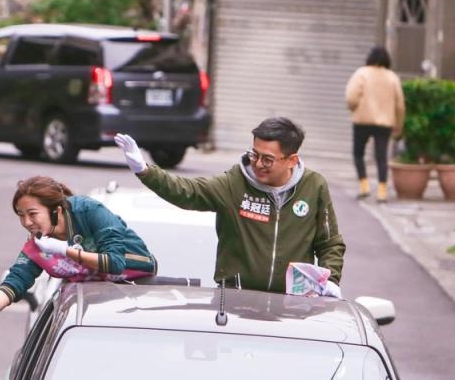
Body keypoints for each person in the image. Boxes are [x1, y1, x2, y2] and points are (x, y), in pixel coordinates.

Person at [114, 117, 345, 295]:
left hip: (293, 305)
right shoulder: (234, 183)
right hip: (236, 301)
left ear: (291, 160)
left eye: (267, 159)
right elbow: (187, 191)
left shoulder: (314, 187)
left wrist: (330, 281)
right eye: (255, 155)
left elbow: (330, 243)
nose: (258, 164)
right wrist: (145, 170)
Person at [0, 176, 157, 341]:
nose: (26, 222)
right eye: (20, 215)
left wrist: (65, 250)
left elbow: (115, 262)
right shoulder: (40, 243)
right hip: (90, 303)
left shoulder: (88, 211)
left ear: (56, 210)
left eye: (32, 214)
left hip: (138, 293)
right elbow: (14, 282)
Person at [345, 46, 405, 202]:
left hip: (362, 121)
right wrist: (398, 124)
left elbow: (351, 97)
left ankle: (364, 186)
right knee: (381, 156)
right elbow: (400, 105)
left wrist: (354, 108)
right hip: (384, 123)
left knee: (358, 153)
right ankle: (382, 191)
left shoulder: (361, 73)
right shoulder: (392, 77)